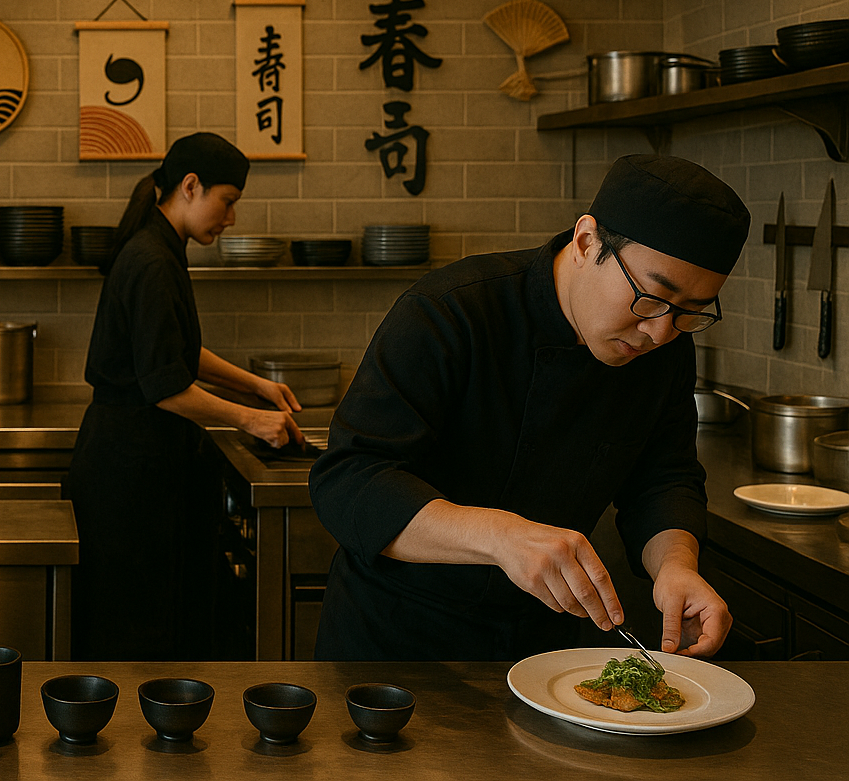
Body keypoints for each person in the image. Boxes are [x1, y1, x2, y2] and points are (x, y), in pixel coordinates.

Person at [310, 154, 748, 661]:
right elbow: (349, 479)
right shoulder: (452, 311)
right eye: (651, 298)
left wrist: (676, 566)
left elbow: (664, 477)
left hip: (548, 649)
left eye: (691, 313)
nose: (659, 331)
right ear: (587, 242)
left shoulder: (664, 339)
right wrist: (500, 536)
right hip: (398, 641)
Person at [65, 132, 305, 660]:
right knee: (135, 630)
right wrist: (250, 419)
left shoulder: (159, 247)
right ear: (191, 187)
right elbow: (165, 386)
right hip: (128, 473)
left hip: (137, 464)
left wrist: (255, 384)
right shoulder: (151, 259)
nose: (232, 219)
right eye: (229, 201)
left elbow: (174, 350)